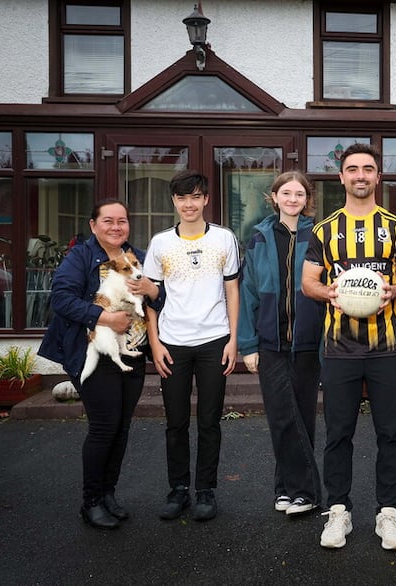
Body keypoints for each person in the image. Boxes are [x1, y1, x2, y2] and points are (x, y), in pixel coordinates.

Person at [301, 143, 396, 550]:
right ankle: (339, 511)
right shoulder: (324, 229)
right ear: (341, 177)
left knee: (391, 432)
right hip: (339, 349)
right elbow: (308, 282)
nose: (360, 175)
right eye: (352, 169)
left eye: (368, 168)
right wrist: (328, 293)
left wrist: (394, 290)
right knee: (339, 433)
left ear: (377, 176)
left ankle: (388, 513)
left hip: (387, 347)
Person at [39, 199, 163, 530]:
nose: (116, 226)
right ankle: (91, 502)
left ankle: (108, 495)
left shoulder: (136, 256)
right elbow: (61, 299)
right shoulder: (80, 256)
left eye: (122, 220)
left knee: (120, 428)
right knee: (104, 427)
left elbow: (158, 300)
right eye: (108, 221)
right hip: (91, 351)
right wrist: (105, 317)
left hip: (130, 354)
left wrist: (153, 290)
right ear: (94, 225)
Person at [144, 170, 240, 522]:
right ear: (175, 201)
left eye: (195, 197)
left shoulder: (224, 239)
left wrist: (233, 339)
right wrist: (154, 344)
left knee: (210, 421)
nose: (189, 204)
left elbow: (232, 290)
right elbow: (151, 299)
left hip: (215, 341)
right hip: (173, 343)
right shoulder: (160, 243)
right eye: (182, 198)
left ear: (206, 200)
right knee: (176, 422)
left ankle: (205, 491)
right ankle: (179, 489)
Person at [238, 171, 324, 516]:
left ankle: (286, 489)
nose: (292, 199)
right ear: (273, 197)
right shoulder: (259, 237)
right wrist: (248, 345)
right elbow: (248, 293)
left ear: (307, 200)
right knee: (281, 416)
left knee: (302, 416)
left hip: (308, 341)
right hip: (270, 342)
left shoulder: (318, 234)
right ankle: (306, 491)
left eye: (298, 194)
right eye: (285, 193)